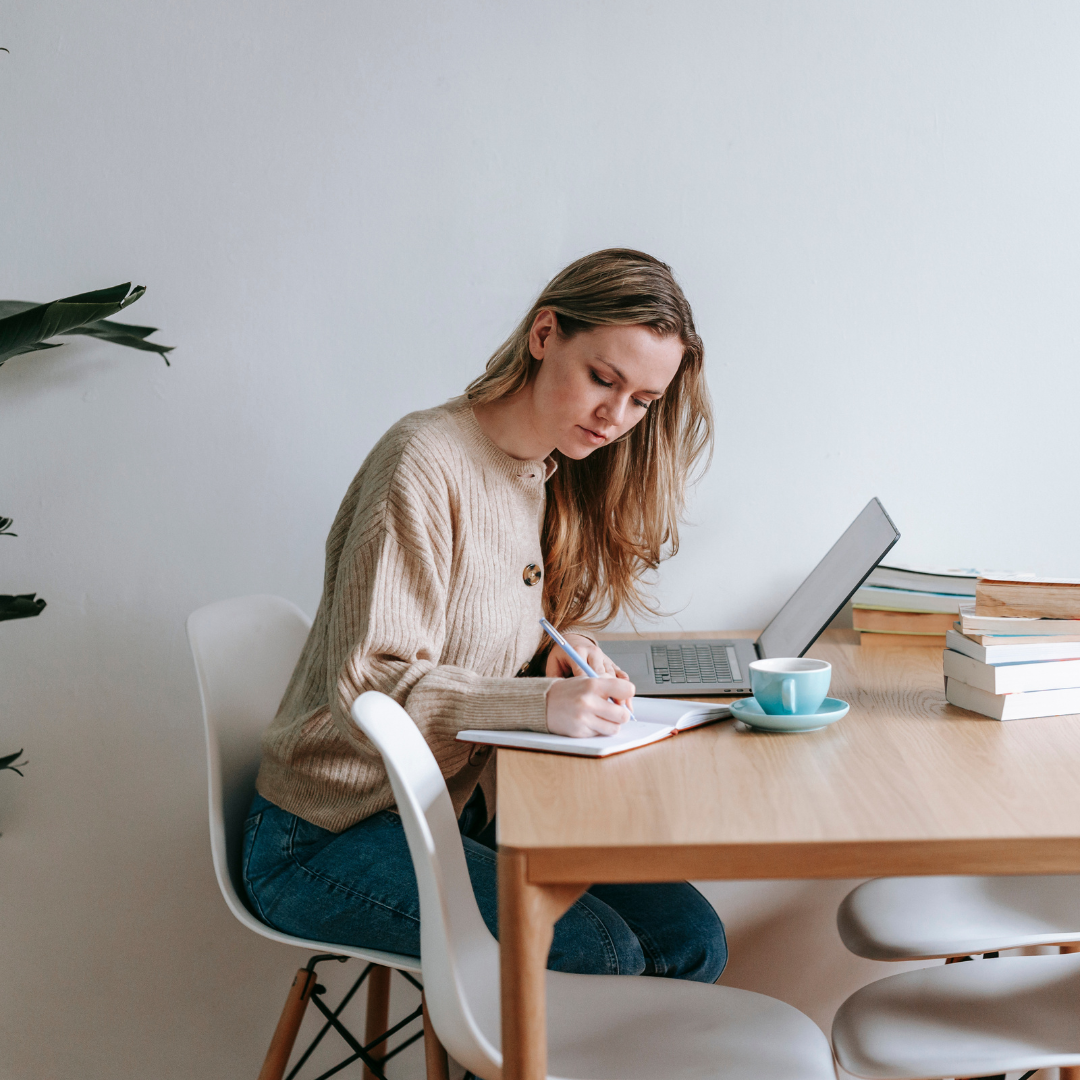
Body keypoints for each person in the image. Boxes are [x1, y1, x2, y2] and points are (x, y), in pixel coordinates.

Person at [244, 249, 726, 980]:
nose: (616, 417)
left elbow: (483, 622)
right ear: (544, 335)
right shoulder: (424, 462)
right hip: (327, 831)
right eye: (603, 378)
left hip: (450, 809)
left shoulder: (541, 470)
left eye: (643, 401)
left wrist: (560, 656)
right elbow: (367, 685)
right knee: (598, 950)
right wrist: (538, 702)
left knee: (690, 937)